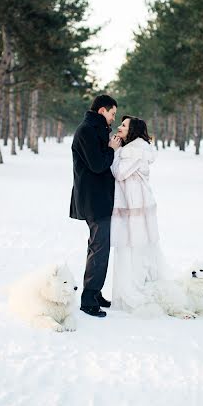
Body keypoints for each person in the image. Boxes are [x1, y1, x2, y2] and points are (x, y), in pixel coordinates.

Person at [70, 95, 121, 317]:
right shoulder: (86, 131)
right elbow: (98, 164)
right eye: (112, 114)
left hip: (99, 197)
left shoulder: (96, 129)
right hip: (93, 199)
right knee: (99, 248)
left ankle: (95, 291)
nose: (113, 119)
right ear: (102, 111)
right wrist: (111, 149)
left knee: (98, 247)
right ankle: (88, 299)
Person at [110, 115, 165, 314]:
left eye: (123, 125)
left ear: (132, 130)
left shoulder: (134, 150)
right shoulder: (133, 149)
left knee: (132, 251)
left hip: (135, 208)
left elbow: (119, 173)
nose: (119, 127)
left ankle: (135, 294)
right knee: (132, 251)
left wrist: (114, 152)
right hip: (134, 205)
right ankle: (130, 292)